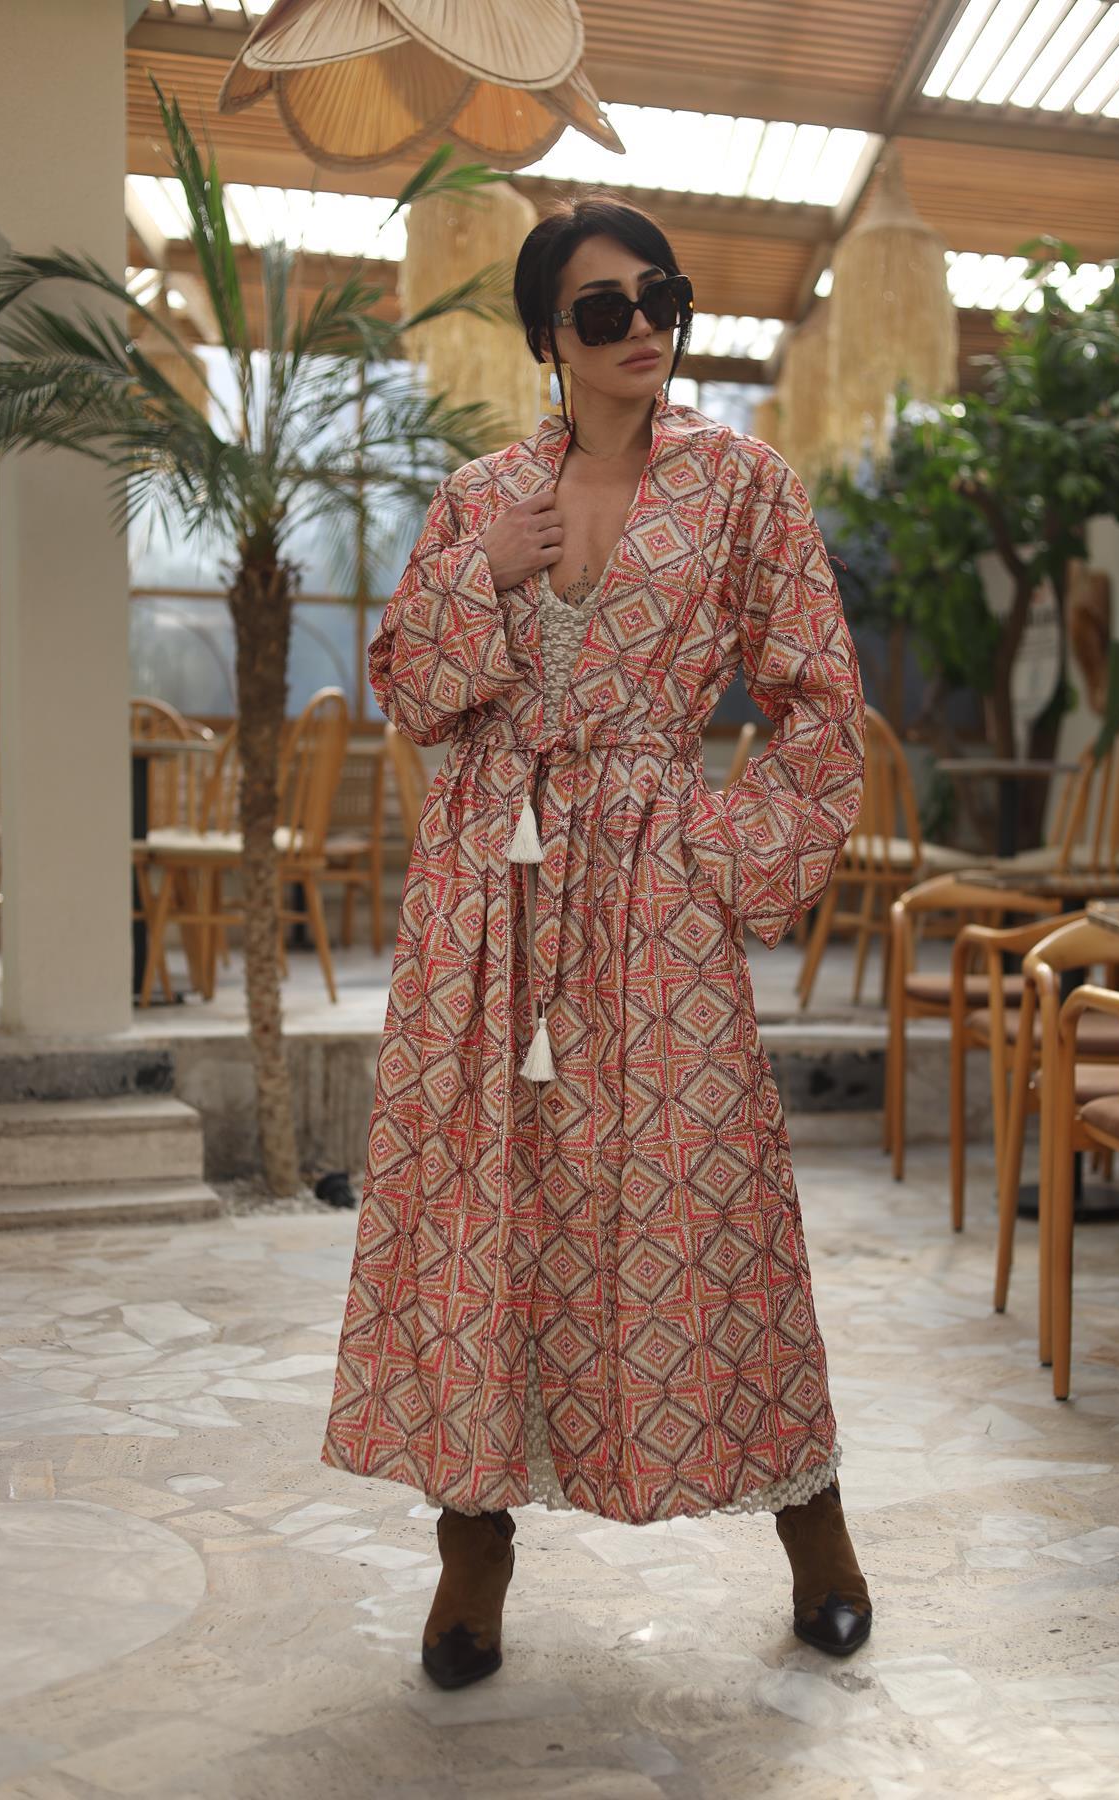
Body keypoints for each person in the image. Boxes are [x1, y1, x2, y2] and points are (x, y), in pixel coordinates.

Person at [321, 195, 871, 1689]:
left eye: (661, 298)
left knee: (709, 1196)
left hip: (652, 895)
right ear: (547, 339)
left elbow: (821, 701)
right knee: (480, 1203)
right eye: (604, 309)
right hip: (486, 908)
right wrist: (480, 569)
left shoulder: (745, 485)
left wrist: (724, 848)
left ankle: (816, 1525)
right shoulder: (484, 495)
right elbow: (411, 689)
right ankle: (472, 1549)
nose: (643, 328)